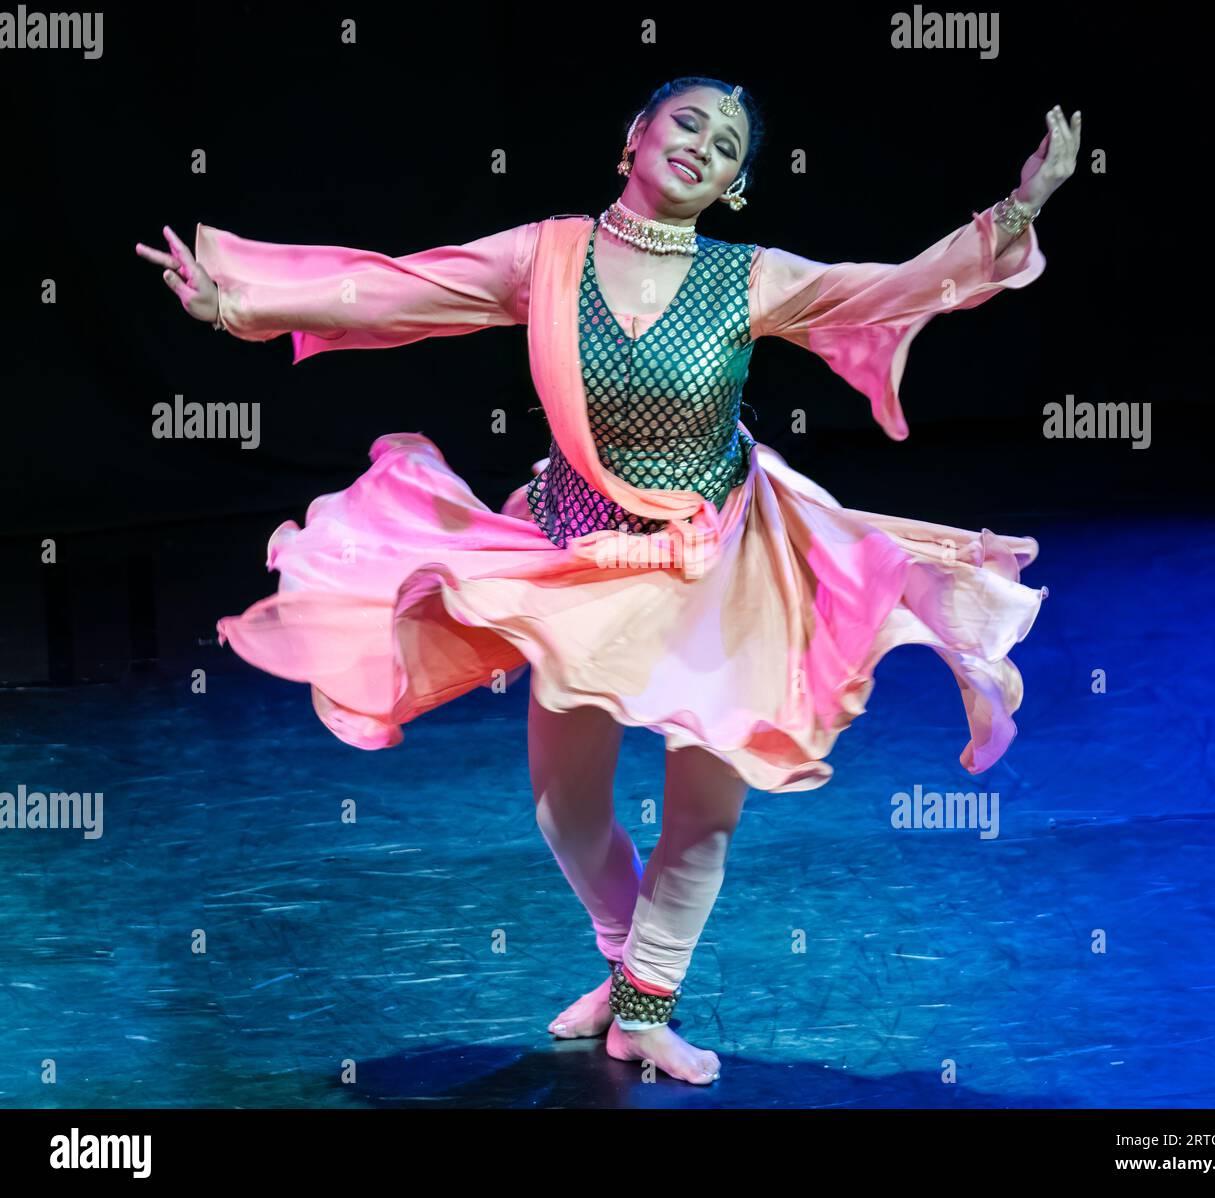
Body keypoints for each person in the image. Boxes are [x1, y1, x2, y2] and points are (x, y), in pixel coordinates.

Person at [135, 78, 1079, 1085]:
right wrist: (240, 301)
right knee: (565, 809)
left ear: (734, 185)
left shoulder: (747, 278)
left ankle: (647, 1007)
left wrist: (1017, 210)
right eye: (687, 122)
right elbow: (398, 286)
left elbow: (887, 287)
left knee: (702, 811)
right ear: (636, 133)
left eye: (726, 147)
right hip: (576, 559)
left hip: (720, 565)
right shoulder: (547, 257)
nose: (702, 147)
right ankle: (629, 970)